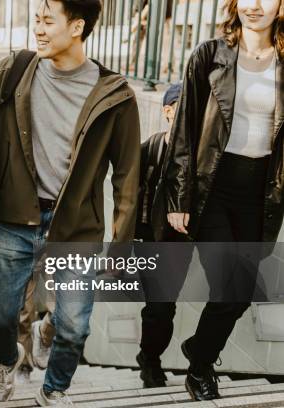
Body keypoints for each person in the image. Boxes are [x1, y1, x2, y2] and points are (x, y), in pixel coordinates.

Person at [0, 0, 141, 404]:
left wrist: (120, 249)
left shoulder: (116, 95)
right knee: (1, 315)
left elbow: (129, 177)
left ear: (77, 26)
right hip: (17, 217)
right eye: (37, 20)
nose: (39, 30)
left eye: (48, 21)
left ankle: (54, 388)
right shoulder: (18, 70)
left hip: (77, 228)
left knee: (74, 327)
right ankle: (6, 362)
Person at [156, 0, 284, 400]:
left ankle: (199, 348)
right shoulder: (209, 55)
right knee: (227, 287)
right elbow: (184, 129)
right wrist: (179, 197)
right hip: (213, 187)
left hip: (262, 193)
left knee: (240, 293)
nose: (255, 5)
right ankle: (198, 371)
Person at [133, 83, 195, 388]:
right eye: (182, 107)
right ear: (168, 111)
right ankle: (151, 360)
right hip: (150, 239)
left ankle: (149, 356)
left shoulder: (200, 155)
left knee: (164, 306)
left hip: (180, 242)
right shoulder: (151, 149)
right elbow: (131, 195)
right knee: (158, 306)